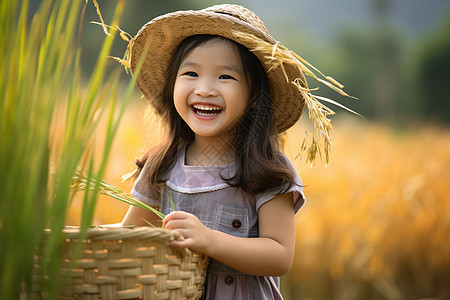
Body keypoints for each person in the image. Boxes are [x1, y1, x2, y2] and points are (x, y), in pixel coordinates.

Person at [120, 4, 349, 299]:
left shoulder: (265, 171)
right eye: (190, 73)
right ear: (172, 84)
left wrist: (210, 241)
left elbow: (280, 256)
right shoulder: (161, 166)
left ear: (254, 96)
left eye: (225, 77)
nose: (204, 89)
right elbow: (128, 235)